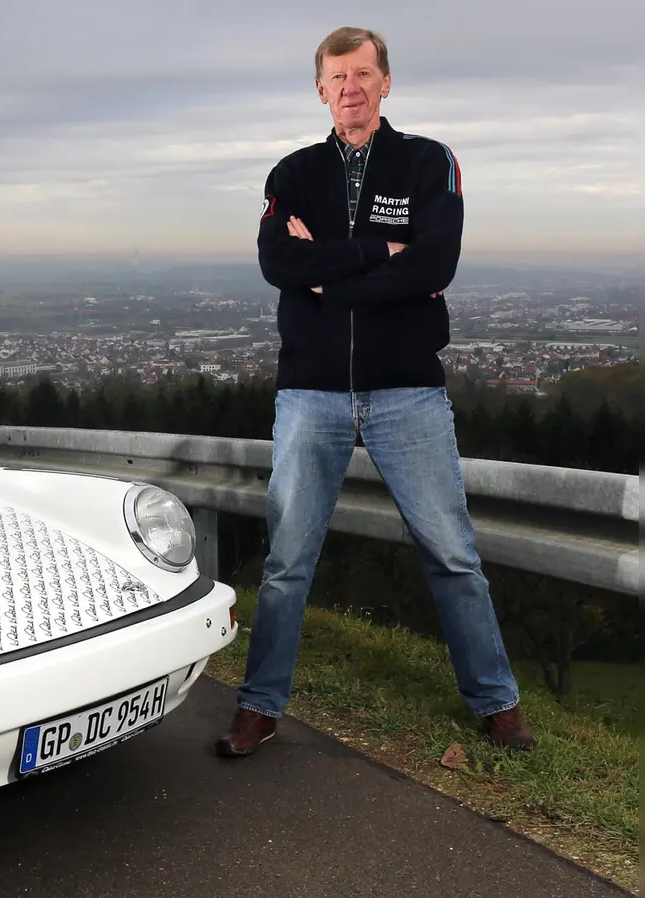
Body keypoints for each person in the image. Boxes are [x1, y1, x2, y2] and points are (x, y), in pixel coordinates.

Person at [217, 26, 536, 757]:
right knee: (287, 561)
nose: (350, 87)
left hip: (407, 392)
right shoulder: (293, 172)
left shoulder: (429, 163)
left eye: (364, 74)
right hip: (311, 393)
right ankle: (260, 706)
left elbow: (436, 263)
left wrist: (327, 277)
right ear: (321, 89)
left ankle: (497, 702)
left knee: (452, 553)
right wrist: (368, 253)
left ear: (385, 83)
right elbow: (276, 260)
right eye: (337, 77)